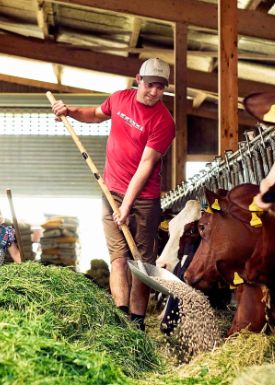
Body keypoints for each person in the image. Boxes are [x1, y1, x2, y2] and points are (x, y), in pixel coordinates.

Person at [51, 58, 175, 330]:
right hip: (110, 192)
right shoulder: (119, 99)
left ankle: (138, 323)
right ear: (138, 80)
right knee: (118, 258)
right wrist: (69, 111)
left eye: (161, 87)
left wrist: (127, 205)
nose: (154, 92)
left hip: (143, 200)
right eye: (150, 85)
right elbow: (95, 115)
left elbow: (146, 166)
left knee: (141, 264)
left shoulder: (165, 121)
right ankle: (121, 322)